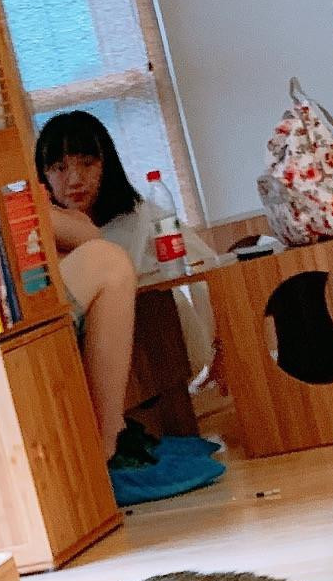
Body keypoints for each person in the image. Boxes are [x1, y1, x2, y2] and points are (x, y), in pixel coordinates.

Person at [33, 112, 220, 498]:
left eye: (87, 164)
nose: (74, 179)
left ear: (107, 165)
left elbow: (206, 265)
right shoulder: (48, 223)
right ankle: (113, 440)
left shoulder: (140, 217)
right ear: (43, 174)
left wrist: (221, 346)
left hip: (158, 341)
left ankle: (116, 438)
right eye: (59, 168)